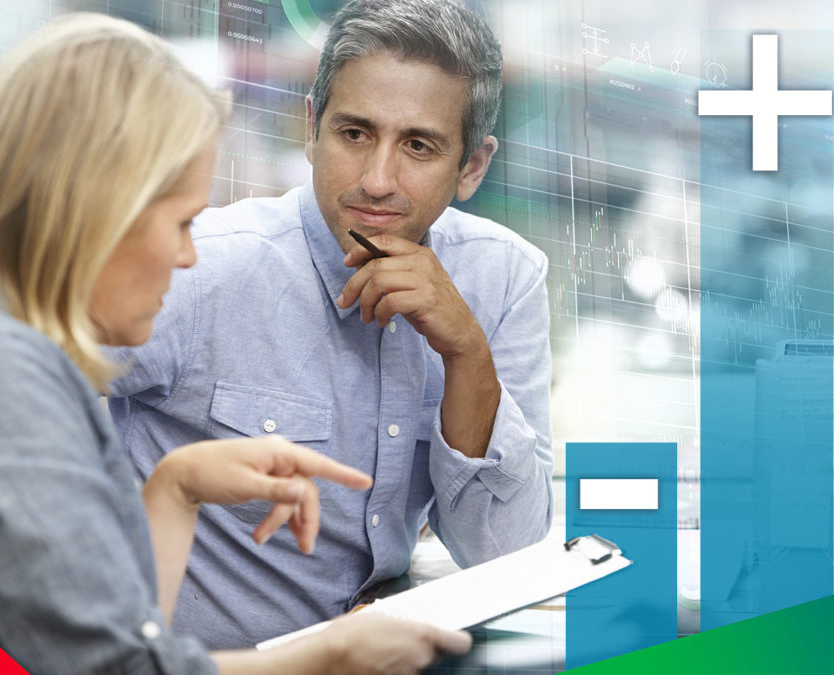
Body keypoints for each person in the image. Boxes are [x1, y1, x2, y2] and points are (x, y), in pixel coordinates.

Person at [0, 13, 471, 674]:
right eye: (181, 221)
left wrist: (177, 486)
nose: (188, 255)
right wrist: (332, 653)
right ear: (96, 210)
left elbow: (120, 638)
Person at [109, 0, 554, 649]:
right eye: (355, 134)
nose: (376, 180)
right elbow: (8, 410)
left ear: (473, 167)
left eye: (418, 146)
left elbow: (510, 557)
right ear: (312, 127)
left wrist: (467, 356)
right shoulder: (198, 267)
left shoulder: (504, 279)